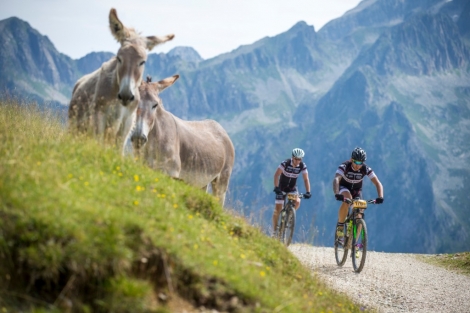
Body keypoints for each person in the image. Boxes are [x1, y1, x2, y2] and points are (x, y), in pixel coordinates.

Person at [332, 147, 384, 242]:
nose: (357, 165)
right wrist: (336, 193)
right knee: (348, 200)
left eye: (360, 163)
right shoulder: (345, 166)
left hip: (357, 190)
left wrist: (380, 196)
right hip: (344, 188)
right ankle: (340, 227)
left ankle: (354, 242)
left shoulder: (365, 168)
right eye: (355, 162)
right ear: (351, 159)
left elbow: (377, 182)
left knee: (360, 213)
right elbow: (336, 179)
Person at [272, 148, 311, 236]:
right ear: (292, 157)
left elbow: (306, 179)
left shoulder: (302, 165)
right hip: (281, 187)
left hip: (292, 188)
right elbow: (276, 175)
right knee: (278, 209)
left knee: (297, 202)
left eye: (300, 159)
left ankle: (288, 214)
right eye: (296, 158)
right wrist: (276, 187)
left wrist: (308, 191)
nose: (298, 161)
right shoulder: (285, 163)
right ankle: (274, 231)